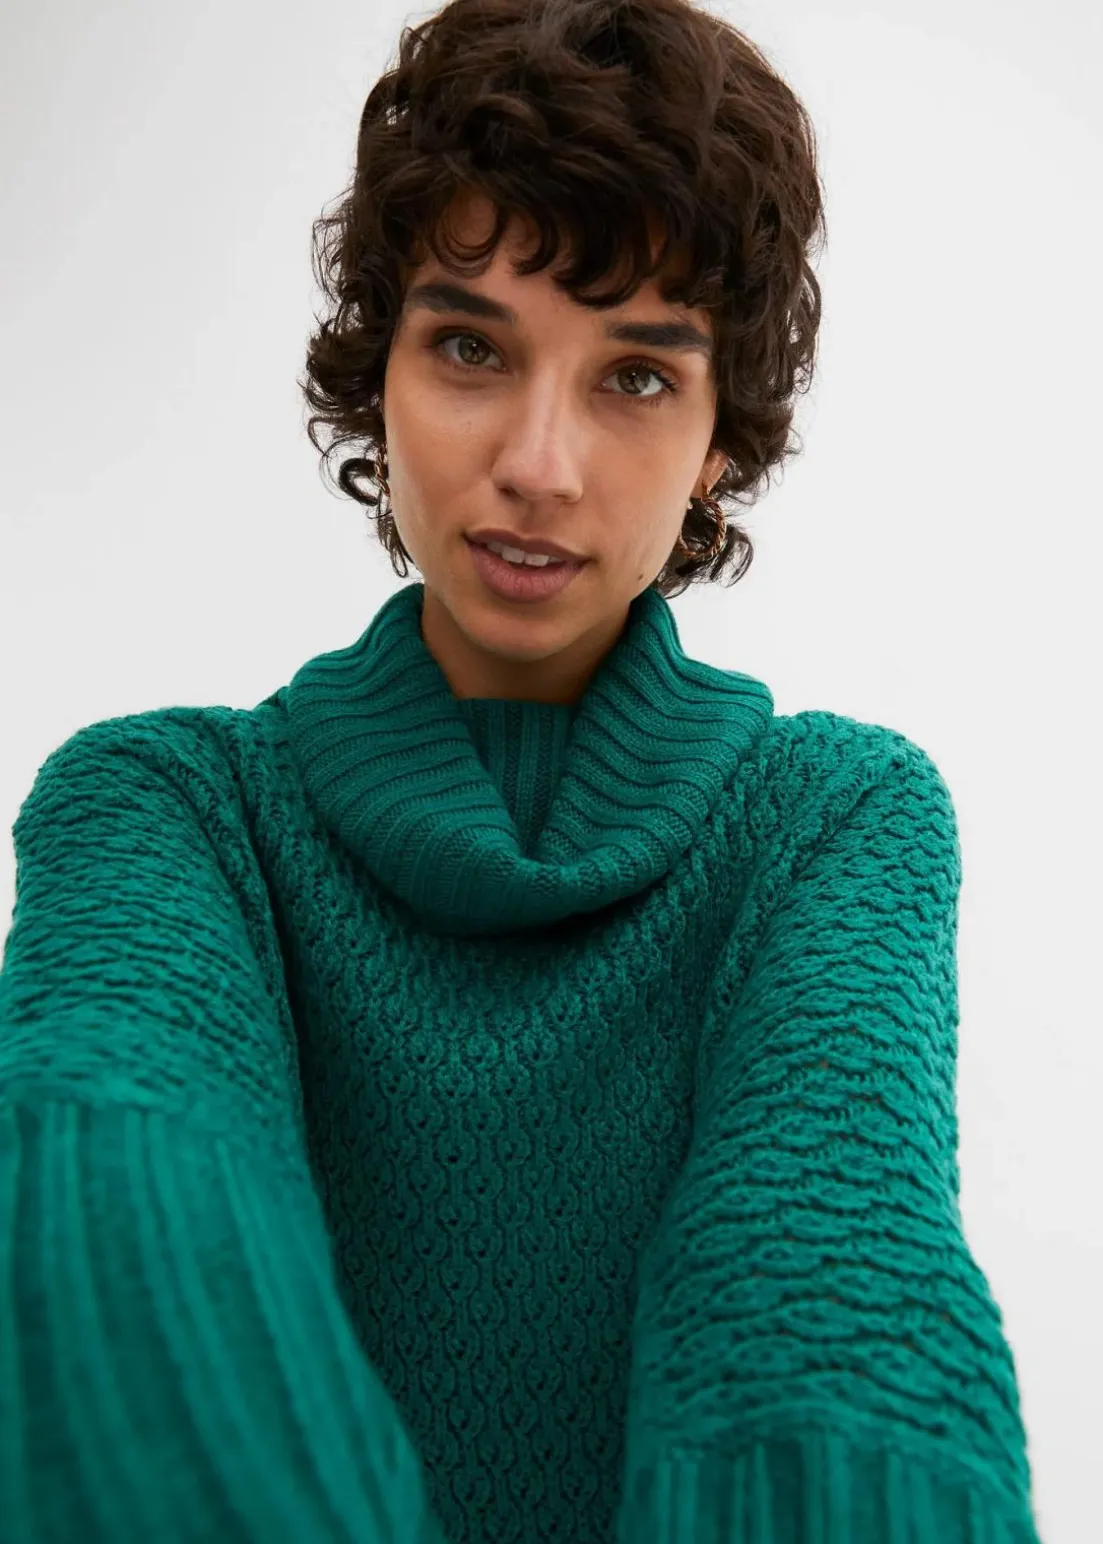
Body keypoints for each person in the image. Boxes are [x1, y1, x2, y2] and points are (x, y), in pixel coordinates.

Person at [0, 1, 1040, 1540]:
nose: (539, 465)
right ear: (379, 369)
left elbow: (831, 1306)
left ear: (722, 439)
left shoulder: (833, 822)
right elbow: (120, 1253)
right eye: (472, 347)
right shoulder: (165, 809)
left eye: (636, 377)